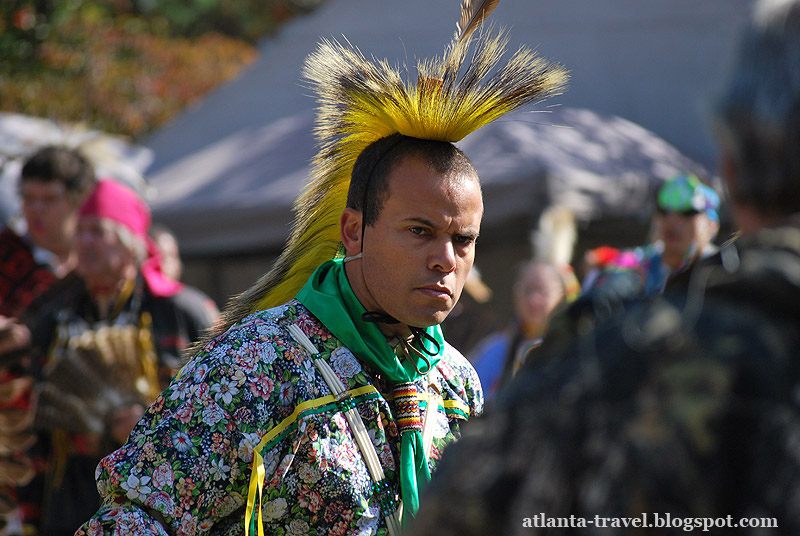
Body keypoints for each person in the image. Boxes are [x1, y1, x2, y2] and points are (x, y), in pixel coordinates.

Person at [74, 3, 568, 534]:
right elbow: (135, 520)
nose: (446, 259)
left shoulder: (457, 384)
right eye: (420, 231)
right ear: (353, 231)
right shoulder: (256, 363)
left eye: (463, 240)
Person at [405, 1, 800, 534]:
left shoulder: (629, 361)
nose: (444, 259)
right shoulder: (618, 316)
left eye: (465, 239)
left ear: (729, 168)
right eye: (666, 213)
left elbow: (463, 513)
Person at [17, 179, 219, 536]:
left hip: (160, 501)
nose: (85, 242)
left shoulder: (182, 313)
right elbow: (31, 426)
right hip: (71, 503)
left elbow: (220, 412)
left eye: (98, 231)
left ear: (129, 243)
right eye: (80, 231)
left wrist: (148, 425)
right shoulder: (51, 315)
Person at [0, 146, 96, 535]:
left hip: (83, 453)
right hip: (12, 444)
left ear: (79, 200)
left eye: (49, 199)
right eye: (28, 198)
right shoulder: (6, 258)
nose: (36, 210)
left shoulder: (100, 269)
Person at [582, 172, 721, 300]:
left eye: (687, 212)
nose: (671, 220)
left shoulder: (724, 273)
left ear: (712, 225)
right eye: (664, 210)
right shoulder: (637, 266)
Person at [469, 260, 579, 401]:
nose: (533, 300)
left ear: (562, 295)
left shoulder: (576, 349)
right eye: (526, 290)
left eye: (542, 291)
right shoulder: (495, 350)